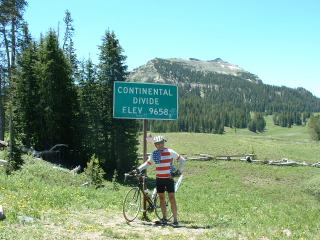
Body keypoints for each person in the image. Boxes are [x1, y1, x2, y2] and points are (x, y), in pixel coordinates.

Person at [136, 135, 186, 226]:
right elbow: (148, 163)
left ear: (163, 143)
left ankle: (175, 220)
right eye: (157, 144)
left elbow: (183, 160)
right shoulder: (154, 153)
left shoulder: (170, 152)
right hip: (159, 179)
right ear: (155, 145)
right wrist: (138, 169)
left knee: (172, 198)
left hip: (169, 179)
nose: (159, 145)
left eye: (161, 143)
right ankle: (164, 219)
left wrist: (177, 172)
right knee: (162, 199)